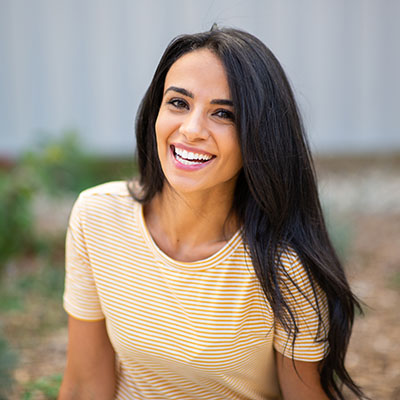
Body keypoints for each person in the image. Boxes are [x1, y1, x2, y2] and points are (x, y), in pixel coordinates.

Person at [58, 26, 365, 400]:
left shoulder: (283, 262)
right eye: (178, 103)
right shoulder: (98, 217)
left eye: (223, 113)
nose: (191, 130)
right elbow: (85, 384)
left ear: (260, 135)